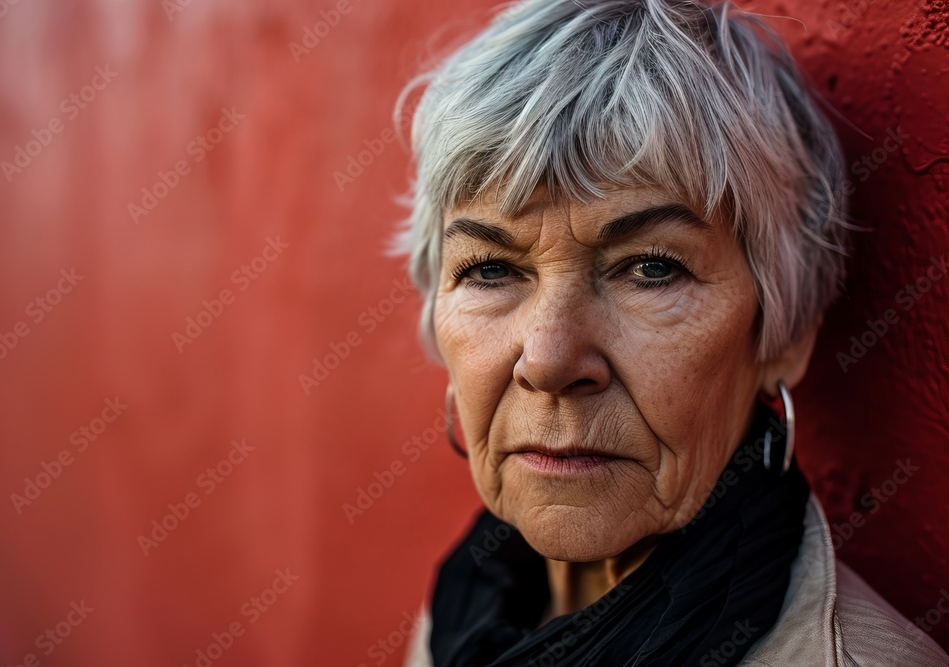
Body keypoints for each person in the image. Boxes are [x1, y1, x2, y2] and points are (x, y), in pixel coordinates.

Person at [389, 0, 949, 665]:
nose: (548, 358)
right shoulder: (466, 610)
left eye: (650, 268)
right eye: (489, 268)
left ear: (784, 331)